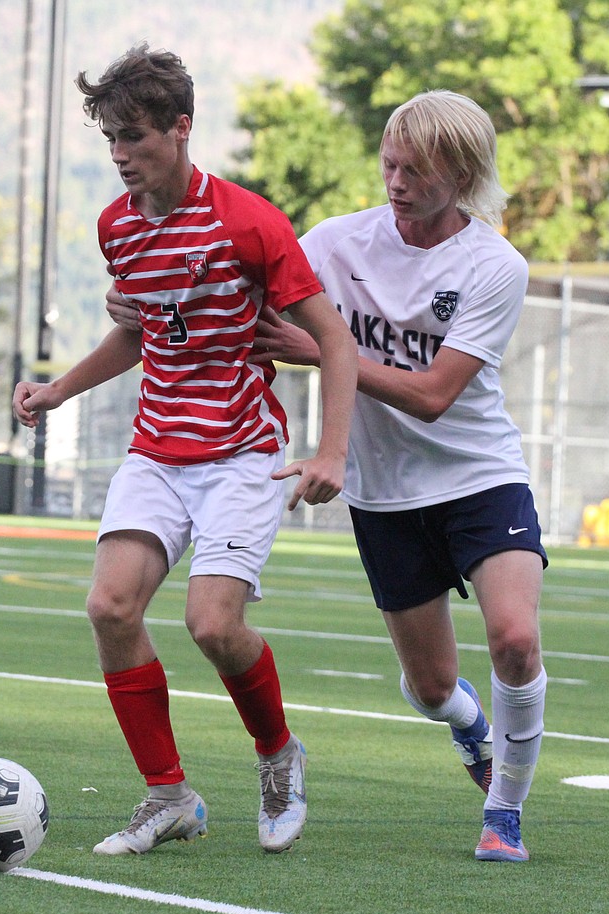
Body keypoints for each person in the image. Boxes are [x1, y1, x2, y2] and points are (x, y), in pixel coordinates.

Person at [112, 90, 548, 862]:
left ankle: (504, 810)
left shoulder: (494, 265)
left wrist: (324, 351)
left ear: (464, 173)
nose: (396, 180)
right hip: (385, 493)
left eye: (416, 169)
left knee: (514, 638)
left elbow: (435, 395)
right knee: (432, 686)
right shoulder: (338, 242)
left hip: (480, 476)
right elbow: (236, 282)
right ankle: (467, 724)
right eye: (389, 162)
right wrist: (140, 299)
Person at [13, 44, 357, 857]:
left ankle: (278, 753)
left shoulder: (249, 221)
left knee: (212, 625)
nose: (122, 155)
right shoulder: (117, 228)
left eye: (135, 136)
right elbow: (139, 332)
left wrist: (331, 451)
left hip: (243, 452)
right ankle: (168, 794)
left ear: (181, 127)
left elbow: (335, 343)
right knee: (109, 607)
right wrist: (59, 390)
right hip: (157, 451)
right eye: (110, 141)